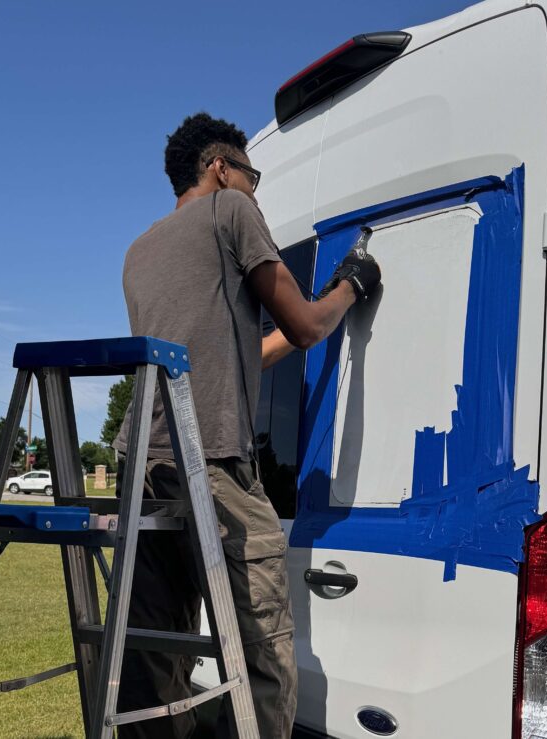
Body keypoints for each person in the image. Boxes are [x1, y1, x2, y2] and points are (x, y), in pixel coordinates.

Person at [112, 112, 381, 739]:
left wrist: (291, 334)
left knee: (156, 652)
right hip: (212, 462)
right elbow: (311, 324)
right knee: (262, 647)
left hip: (143, 469)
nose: (256, 189)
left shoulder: (139, 250)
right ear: (221, 168)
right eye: (251, 175)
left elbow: (230, 352)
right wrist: (349, 285)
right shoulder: (230, 212)